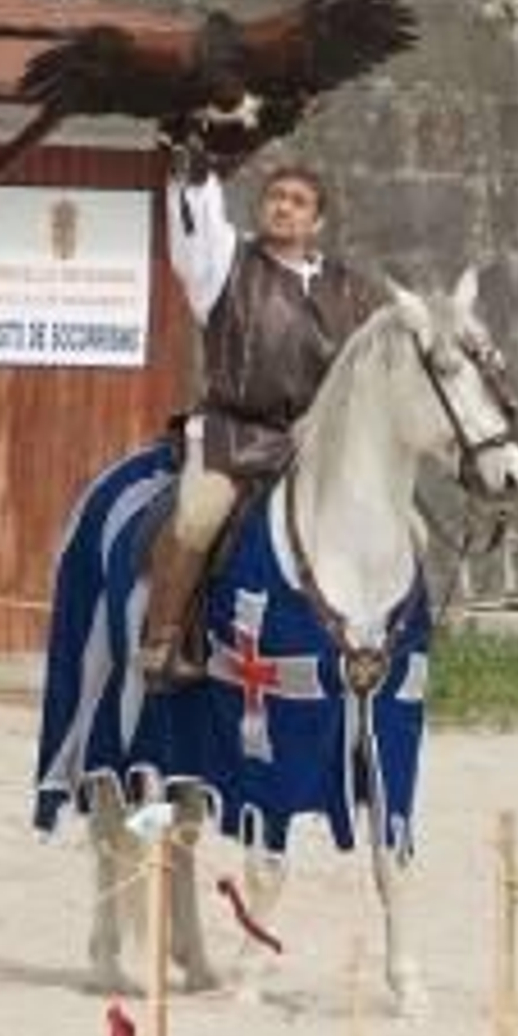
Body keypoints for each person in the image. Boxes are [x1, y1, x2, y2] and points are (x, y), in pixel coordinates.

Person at [140, 139, 383, 685]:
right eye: (276, 196)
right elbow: (195, 223)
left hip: (313, 443)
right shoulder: (224, 264)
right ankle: (161, 640)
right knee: (198, 516)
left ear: (316, 221)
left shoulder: (351, 288)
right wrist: (194, 169)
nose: (283, 206)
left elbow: (382, 357)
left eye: (298, 201)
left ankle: (376, 636)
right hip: (232, 435)